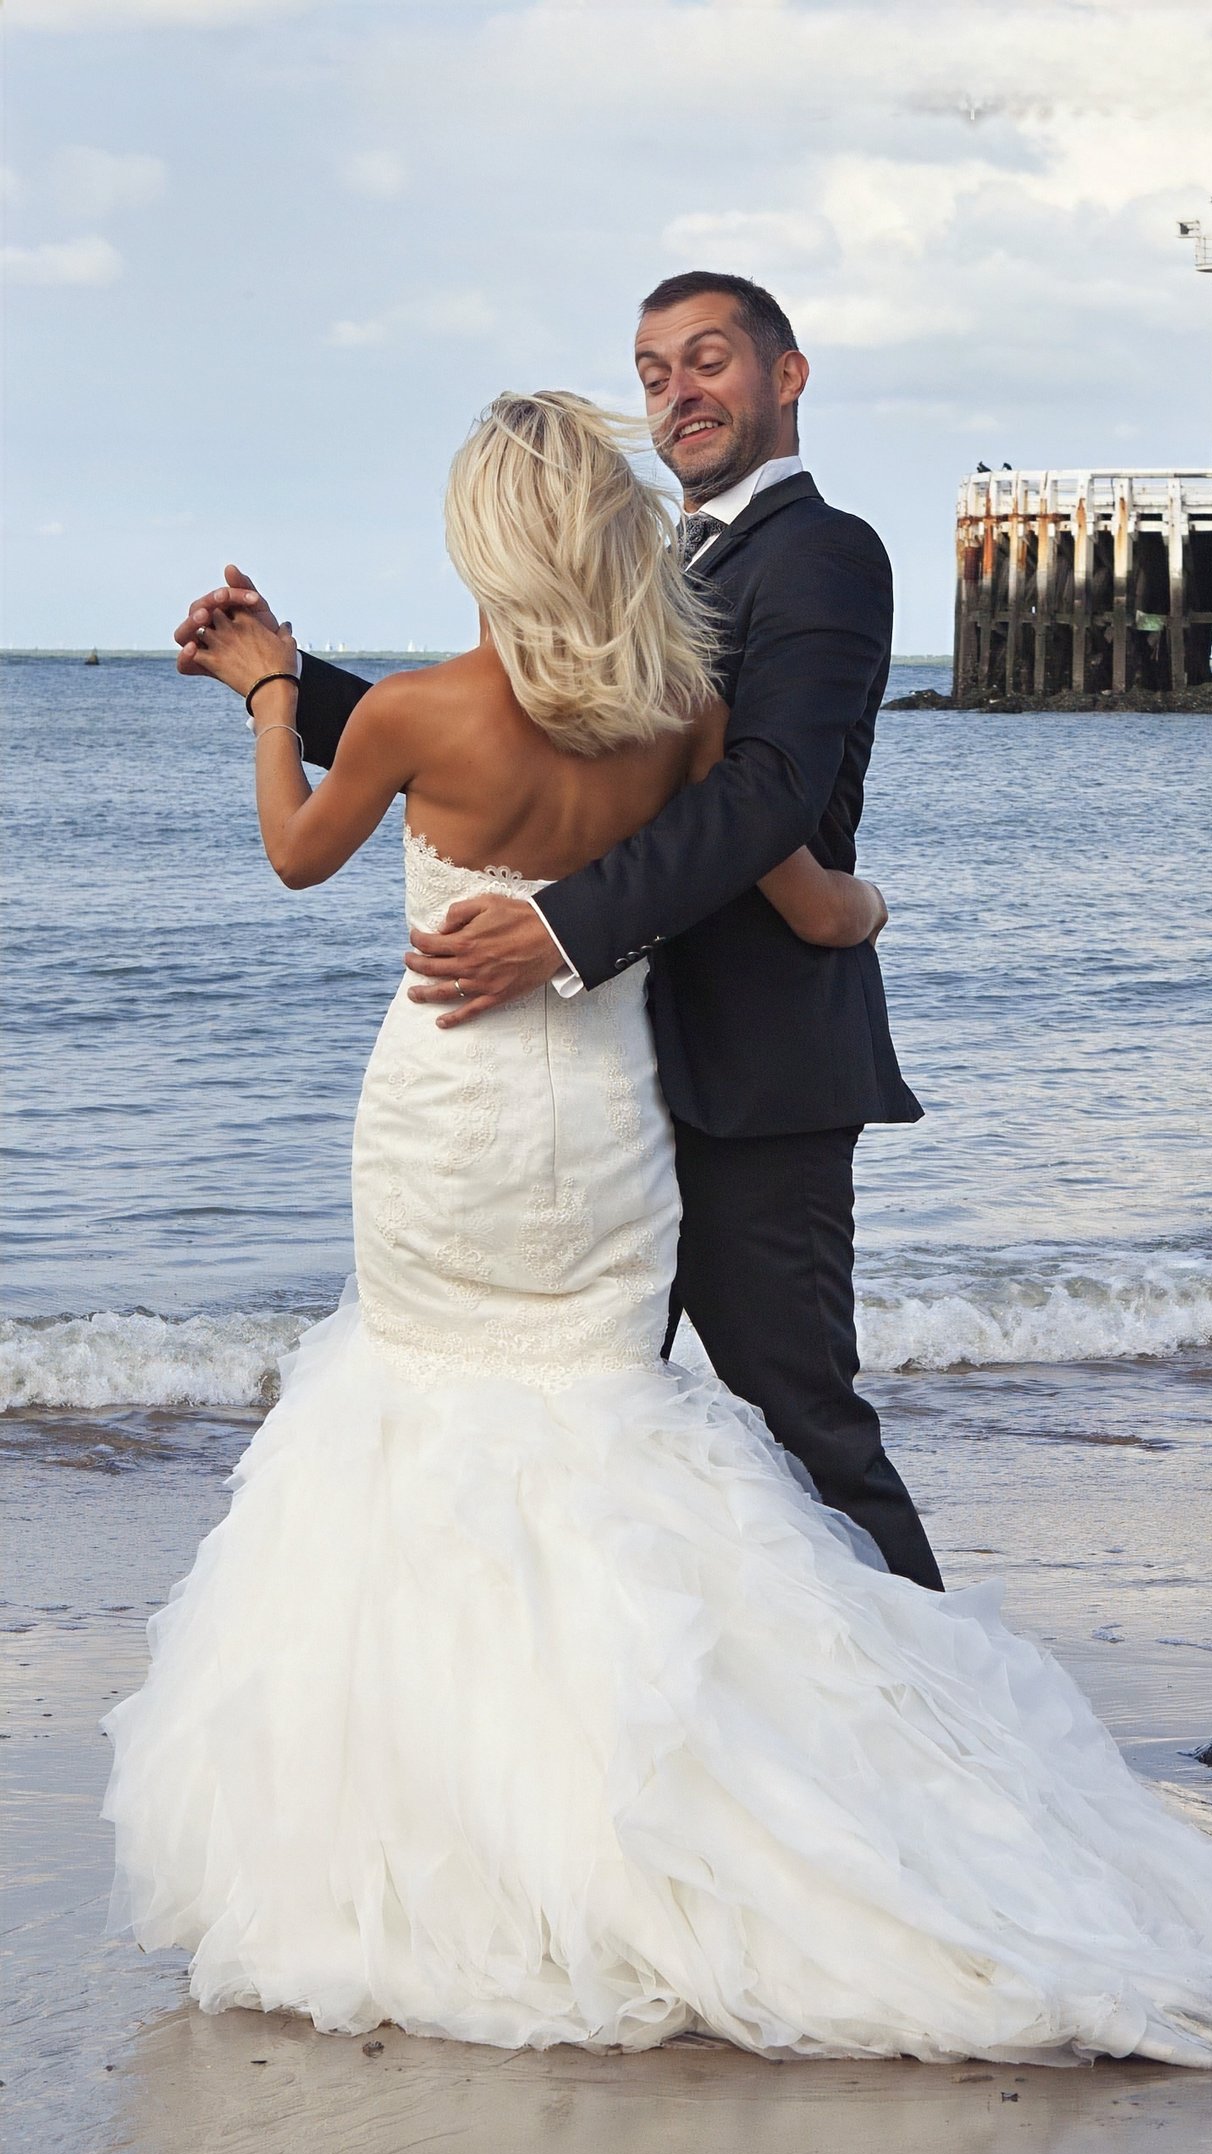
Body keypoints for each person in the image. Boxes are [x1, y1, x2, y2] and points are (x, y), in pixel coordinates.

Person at [107, 389, 1212, 2067]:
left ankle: (475, 1822)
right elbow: (800, 879)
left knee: (426, 1426)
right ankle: (757, 1781)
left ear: (483, 545)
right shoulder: (682, 722)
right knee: (599, 1428)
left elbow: (294, 852)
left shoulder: (415, 713)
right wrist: (865, 910)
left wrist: (272, 691)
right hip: (607, 1127)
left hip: (448, 1130)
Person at [175, 273, 942, 1592]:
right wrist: (287, 686)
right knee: (591, 1451)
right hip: (606, 1098)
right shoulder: (654, 567)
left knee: (800, 1425)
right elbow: (509, 730)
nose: (678, 393)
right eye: (651, 372)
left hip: (751, 1071)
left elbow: (767, 793)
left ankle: (945, 1744)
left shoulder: (825, 554)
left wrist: (558, 930)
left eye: (708, 361)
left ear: (788, 376)